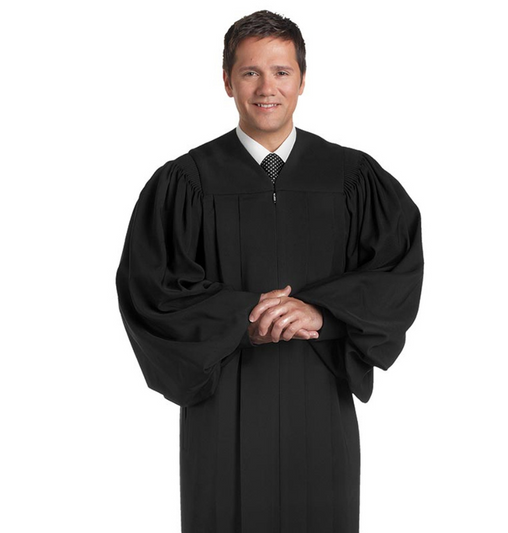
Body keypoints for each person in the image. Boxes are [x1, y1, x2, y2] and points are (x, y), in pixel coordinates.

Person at [116, 9, 423, 533]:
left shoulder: (352, 177)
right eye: (250, 72)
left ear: (302, 79)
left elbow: (397, 270)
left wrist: (321, 313)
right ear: (227, 81)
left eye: (281, 71)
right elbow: (150, 290)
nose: (267, 88)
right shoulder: (186, 182)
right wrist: (245, 318)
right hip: (223, 409)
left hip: (319, 403)